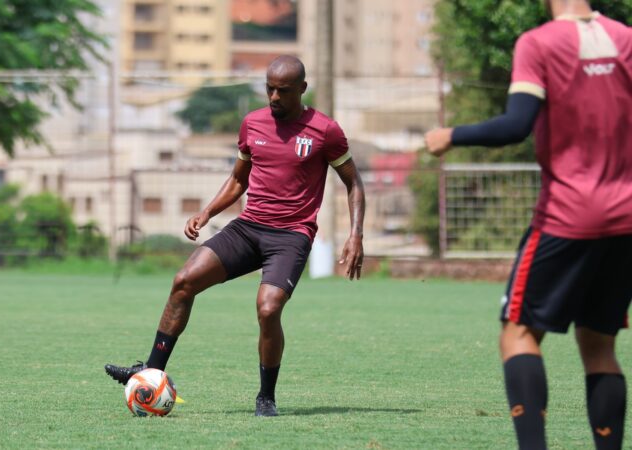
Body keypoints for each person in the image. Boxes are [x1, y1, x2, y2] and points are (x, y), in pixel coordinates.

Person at [105, 55, 366, 417]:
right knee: (183, 281)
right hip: (248, 228)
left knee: (268, 308)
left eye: (283, 91)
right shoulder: (252, 124)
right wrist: (207, 211)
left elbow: (353, 183)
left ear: (302, 89)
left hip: (290, 235)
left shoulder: (326, 131)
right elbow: (239, 179)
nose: (274, 97)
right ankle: (150, 371)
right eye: (269, 89)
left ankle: (266, 398)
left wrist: (356, 235)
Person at [425, 1, 632, 448]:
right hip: (626, 217)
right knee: (599, 344)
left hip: (569, 215)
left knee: (518, 333)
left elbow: (517, 125)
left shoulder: (538, 43)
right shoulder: (626, 39)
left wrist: (452, 135)